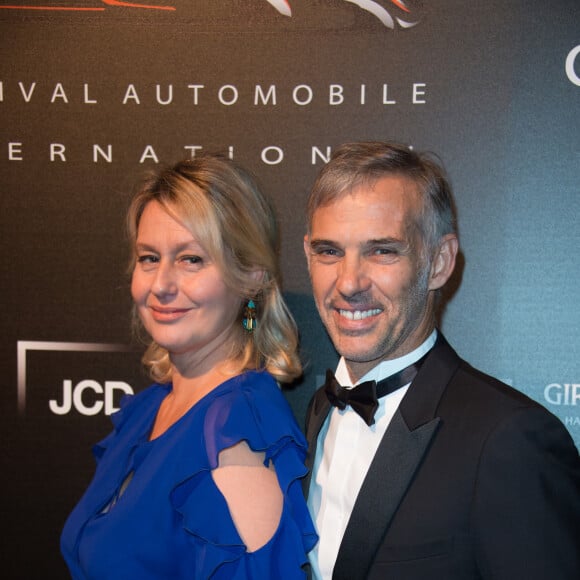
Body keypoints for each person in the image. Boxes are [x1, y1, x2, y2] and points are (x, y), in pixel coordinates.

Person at [302, 141, 580, 579]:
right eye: (329, 251)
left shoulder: (508, 440)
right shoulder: (318, 409)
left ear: (439, 262)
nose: (349, 282)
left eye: (382, 251)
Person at [61, 154, 317, 579]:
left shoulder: (235, 428)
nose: (161, 285)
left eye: (191, 259)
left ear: (251, 276)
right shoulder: (149, 409)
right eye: (148, 258)